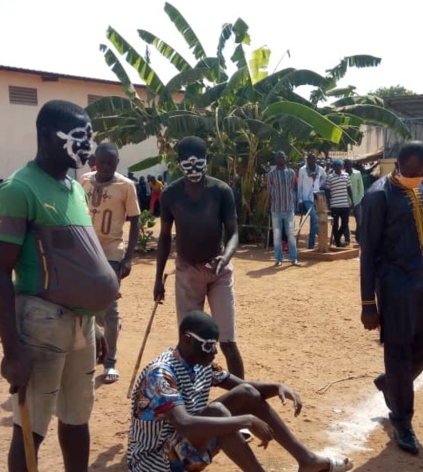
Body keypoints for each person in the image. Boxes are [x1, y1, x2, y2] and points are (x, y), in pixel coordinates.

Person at [0, 100, 134, 472]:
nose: (89, 145)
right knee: (31, 430)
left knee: (78, 417)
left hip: (80, 327)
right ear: (50, 135)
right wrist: (11, 349)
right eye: (80, 135)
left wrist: (95, 318)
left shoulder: (72, 186)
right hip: (40, 326)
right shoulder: (18, 190)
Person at [127, 311, 352, 472]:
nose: (214, 352)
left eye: (215, 345)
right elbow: (185, 424)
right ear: (187, 339)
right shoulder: (161, 374)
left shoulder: (200, 363)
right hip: (155, 467)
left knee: (246, 394)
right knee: (217, 413)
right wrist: (245, 421)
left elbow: (245, 389)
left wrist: (276, 387)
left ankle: (308, 461)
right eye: (208, 346)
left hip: (184, 449)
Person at [360, 141, 423, 454]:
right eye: (413, 173)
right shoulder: (378, 196)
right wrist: (368, 304)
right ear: (398, 165)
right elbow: (368, 252)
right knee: (398, 351)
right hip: (394, 286)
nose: (419, 177)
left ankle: (392, 384)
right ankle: (402, 420)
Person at [154, 137, 246, 378]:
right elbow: (164, 238)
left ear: (207, 161)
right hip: (186, 272)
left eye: (199, 163)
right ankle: (188, 399)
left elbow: (234, 233)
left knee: (227, 341)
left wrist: (224, 258)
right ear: (179, 163)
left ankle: (243, 397)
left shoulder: (221, 191)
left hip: (218, 271)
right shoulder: (170, 194)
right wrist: (158, 280)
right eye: (188, 163)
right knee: (189, 344)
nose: (193, 169)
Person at [80, 142, 142, 383]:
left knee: (110, 305)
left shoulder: (126, 187)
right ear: (95, 160)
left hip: (111, 252)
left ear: (117, 163)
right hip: (85, 251)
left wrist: (128, 258)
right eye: (101, 162)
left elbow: (135, 221)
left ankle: (110, 362)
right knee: (89, 307)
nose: (105, 167)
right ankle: (105, 336)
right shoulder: (84, 181)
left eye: (110, 163)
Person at [265, 151, 299, 266]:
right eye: (278, 157)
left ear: (286, 159)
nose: (280, 159)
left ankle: (294, 258)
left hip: (289, 208)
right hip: (276, 209)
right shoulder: (270, 174)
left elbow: (292, 188)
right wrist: (268, 206)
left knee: (291, 235)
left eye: (282, 157)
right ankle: (278, 259)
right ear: (275, 160)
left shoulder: (291, 173)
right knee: (277, 236)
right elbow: (269, 192)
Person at [297, 153, 327, 249]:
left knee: (315, 220)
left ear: (316, 159)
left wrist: (319, 185)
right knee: (315, 217)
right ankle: (314, 241)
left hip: (317, 196)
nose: (312, 161)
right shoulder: (302, 170)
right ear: (307, 160)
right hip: (307, 198)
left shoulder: (320, 169)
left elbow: (325, 177)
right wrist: (300, 200)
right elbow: (300, 186)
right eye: (310, 159)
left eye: (314, 159)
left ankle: (312, 244)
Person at [325, 159, 352, 247]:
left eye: (339, 166)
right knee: (335, 225)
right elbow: (327, 191)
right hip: (334, 205)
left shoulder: (346, 175)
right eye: (336, 166)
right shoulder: (329, 177)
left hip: (345, 204)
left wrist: (352, 200)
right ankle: (338, 242)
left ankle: (337, 238)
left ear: (342, 167)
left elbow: (349, 189)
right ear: (333, 167)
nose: (338, 168)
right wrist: (328, 203)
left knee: (345, 223)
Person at [345, 159, 365, 243]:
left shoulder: (357, 173)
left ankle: (358, 237)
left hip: (357, 200)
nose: (348, 166)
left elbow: (361, 187)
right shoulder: (342, 175)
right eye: (346, 165)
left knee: (359, 220)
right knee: (345, 221)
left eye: (349, 164)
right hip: (345, 201)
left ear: (352, 165)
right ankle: (347, 238)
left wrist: (360, 198)